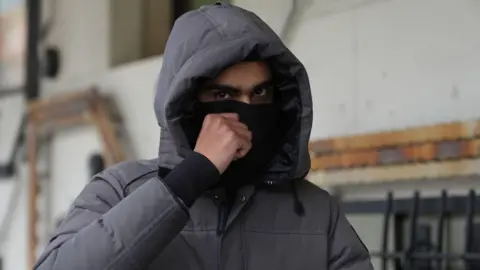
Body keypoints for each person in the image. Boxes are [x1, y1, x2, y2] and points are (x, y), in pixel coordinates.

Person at [34, 3, 373, 270]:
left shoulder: (315, 213)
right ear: (186, 103)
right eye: (223, 97)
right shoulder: (118, 192)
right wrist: (188, 179)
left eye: (260, 94)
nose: (246, 112)